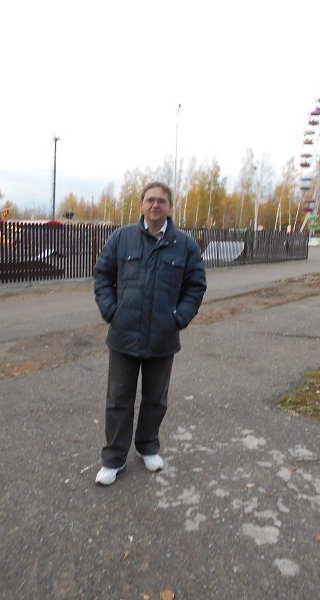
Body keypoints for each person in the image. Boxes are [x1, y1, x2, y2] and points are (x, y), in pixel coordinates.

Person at [93, 181, 207, 485]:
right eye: (150, 200)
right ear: (142, 204)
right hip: (124, 334)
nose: (155, 205)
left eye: (161, 201)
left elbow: (195, 285)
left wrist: (178, 318)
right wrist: (111, 311)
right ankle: (113, 459)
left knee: (156, 400)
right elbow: (103, 276)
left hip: (162, 337)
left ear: (170, 206)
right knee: (118, 400)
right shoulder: (122, 238)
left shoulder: (184, 244)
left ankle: (147, 447)